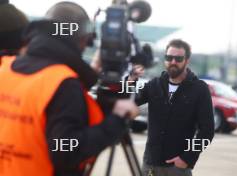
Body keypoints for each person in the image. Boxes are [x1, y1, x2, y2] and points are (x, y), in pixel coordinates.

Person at [0, 1, 139, 176]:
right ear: (81, 39)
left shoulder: (5, 68)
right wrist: (116, 121)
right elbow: (64, 149)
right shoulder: (62, 83)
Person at [128, 39, 215, 176]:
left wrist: (188, 158)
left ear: (187, 60)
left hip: (178, 168)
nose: (173, 62)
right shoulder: (154, 84)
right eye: (169, 57)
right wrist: (129, 80)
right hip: (150, 165)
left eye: (178, 58)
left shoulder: (199, 89)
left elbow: (207, 131)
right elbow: (129, 101)